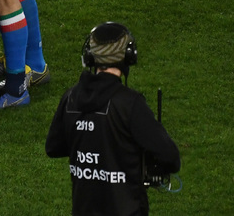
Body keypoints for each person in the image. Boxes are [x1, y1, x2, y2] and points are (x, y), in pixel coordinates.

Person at [46, 22, 181, 215]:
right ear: (129, 56)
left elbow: (54, 147)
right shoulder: (130, 104)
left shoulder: (70, 98)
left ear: (89, 57)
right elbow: (171, 158)